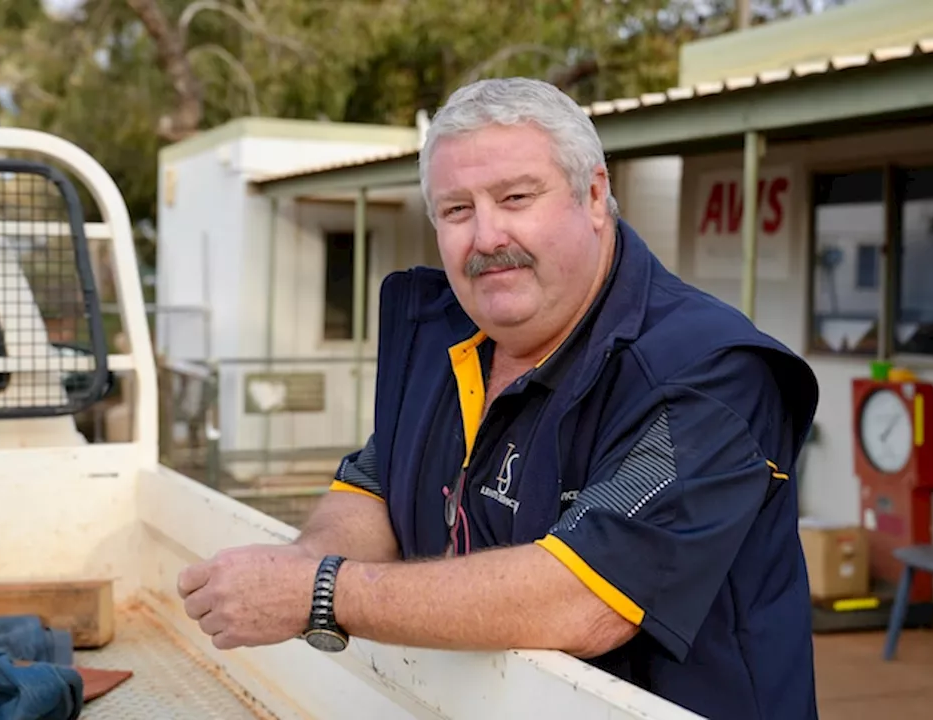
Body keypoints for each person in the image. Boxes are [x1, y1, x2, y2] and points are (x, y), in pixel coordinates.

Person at [177, 76, 821, 720]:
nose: (486, 237)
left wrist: (320, 592)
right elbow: (377, 484)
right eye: (457, 210)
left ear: (594, 195)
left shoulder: (707, 374)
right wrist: (300, 563)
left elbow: (583, 598)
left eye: (516, 198)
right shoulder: (446, 338)